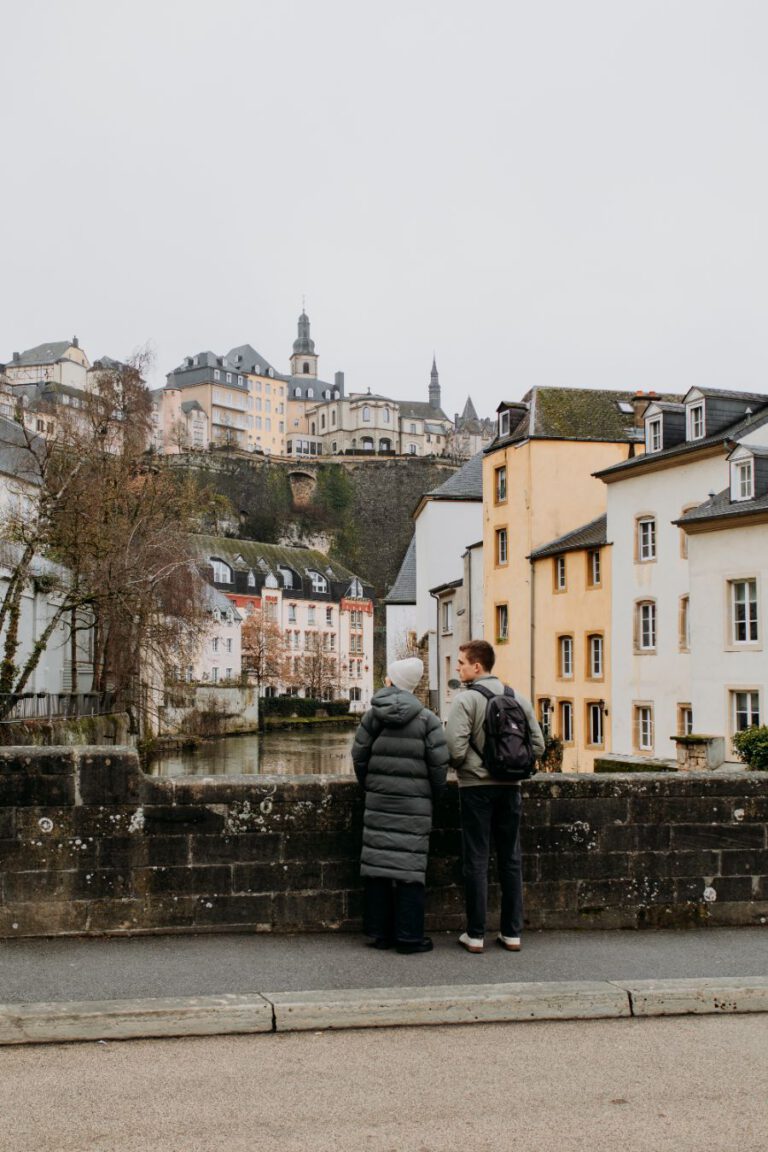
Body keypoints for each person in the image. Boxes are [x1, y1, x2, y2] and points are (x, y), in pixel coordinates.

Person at [445, 639, 545, 954]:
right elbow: (538, 746)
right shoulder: (519, 699)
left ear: (477, 666)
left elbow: (454, 751)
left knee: (476, 859)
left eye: (461, 662)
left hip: (476, 790)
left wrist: (477, 767)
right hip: (511, 788)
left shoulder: (466, 701)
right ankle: (511, 933)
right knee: (510, 859)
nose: (457, 667)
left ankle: (475, 935)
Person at [352, 656, 448, 954]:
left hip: (380, 799)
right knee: (410, 868)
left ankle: (379, 933)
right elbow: (439, 766)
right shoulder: (428, 720)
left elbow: (359, 756)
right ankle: (409, 937)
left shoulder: (373, 716)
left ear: (392, 681)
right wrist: (431, 794)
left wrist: (371, 784)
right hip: (414, 803)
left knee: (379, 866)